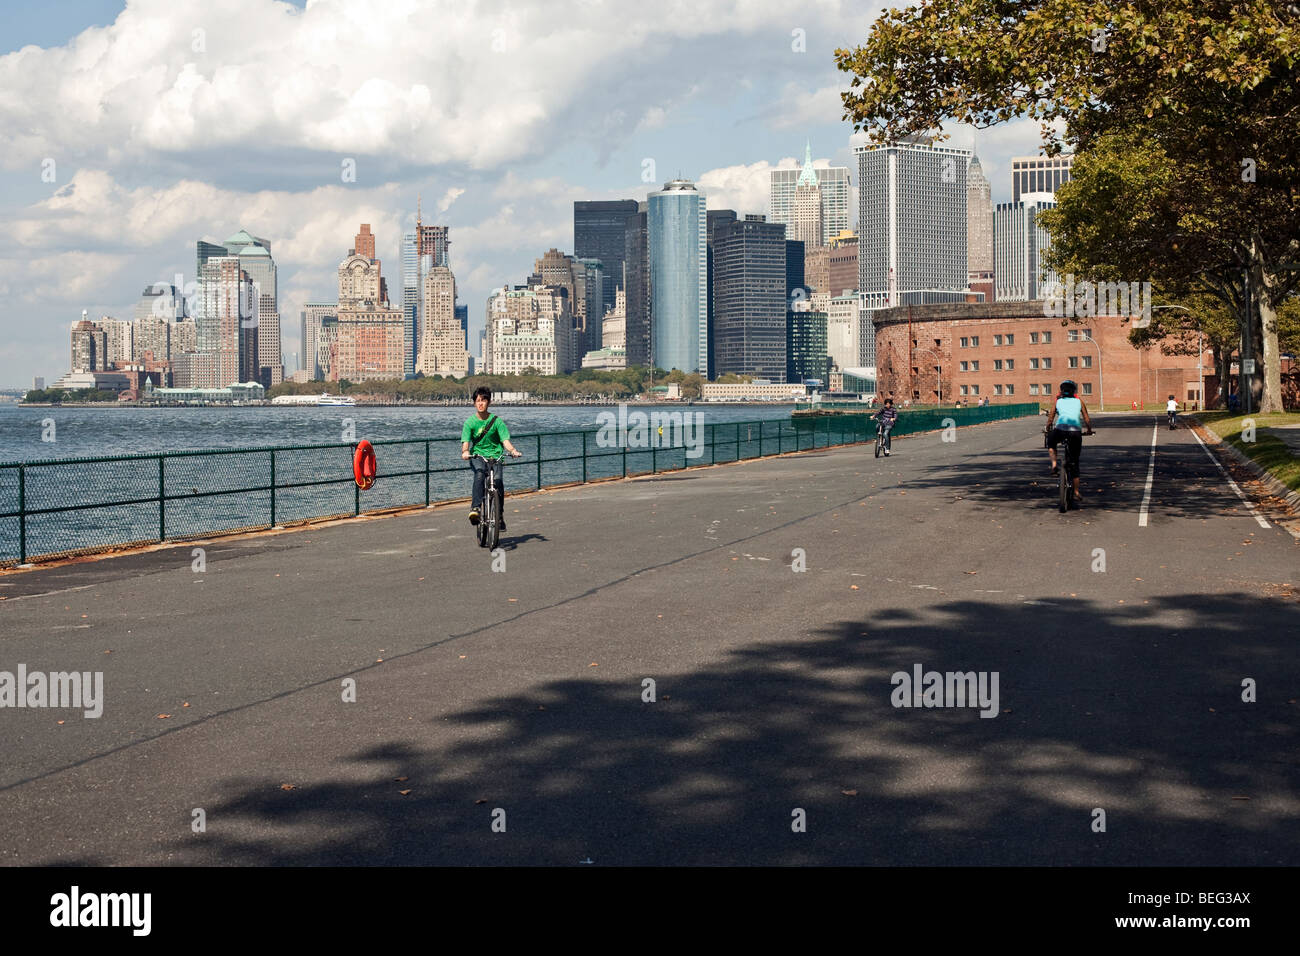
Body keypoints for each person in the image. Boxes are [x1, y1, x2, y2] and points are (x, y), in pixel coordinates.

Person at [461, 386, 522, 527]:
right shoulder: (470, 422)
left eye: (483, 400)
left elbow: (505, 441)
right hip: (478, 456)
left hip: (496, 456)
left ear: (489, 402)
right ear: (474, 403)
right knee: (480, 475)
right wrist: (465, 452)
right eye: (477, 401)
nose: (480, 403)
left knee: (498, 481)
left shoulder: (497, 421)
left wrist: (513, 451)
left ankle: (499, 514)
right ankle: (475, 508)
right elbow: (466, 443)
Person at [1046, 380, 1094, 502]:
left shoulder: (1058, 401)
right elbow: (1086, 418)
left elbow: (1051, 417)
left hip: (1060, 430)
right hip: (1075, 432)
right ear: (1074, 391)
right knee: (1075, 462)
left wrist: (1048, 429)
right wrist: (1089, 430)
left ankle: (1054, 465)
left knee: (1051, 443)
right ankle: (1076, 491)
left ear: (1062, 391)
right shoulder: (1079, 401)